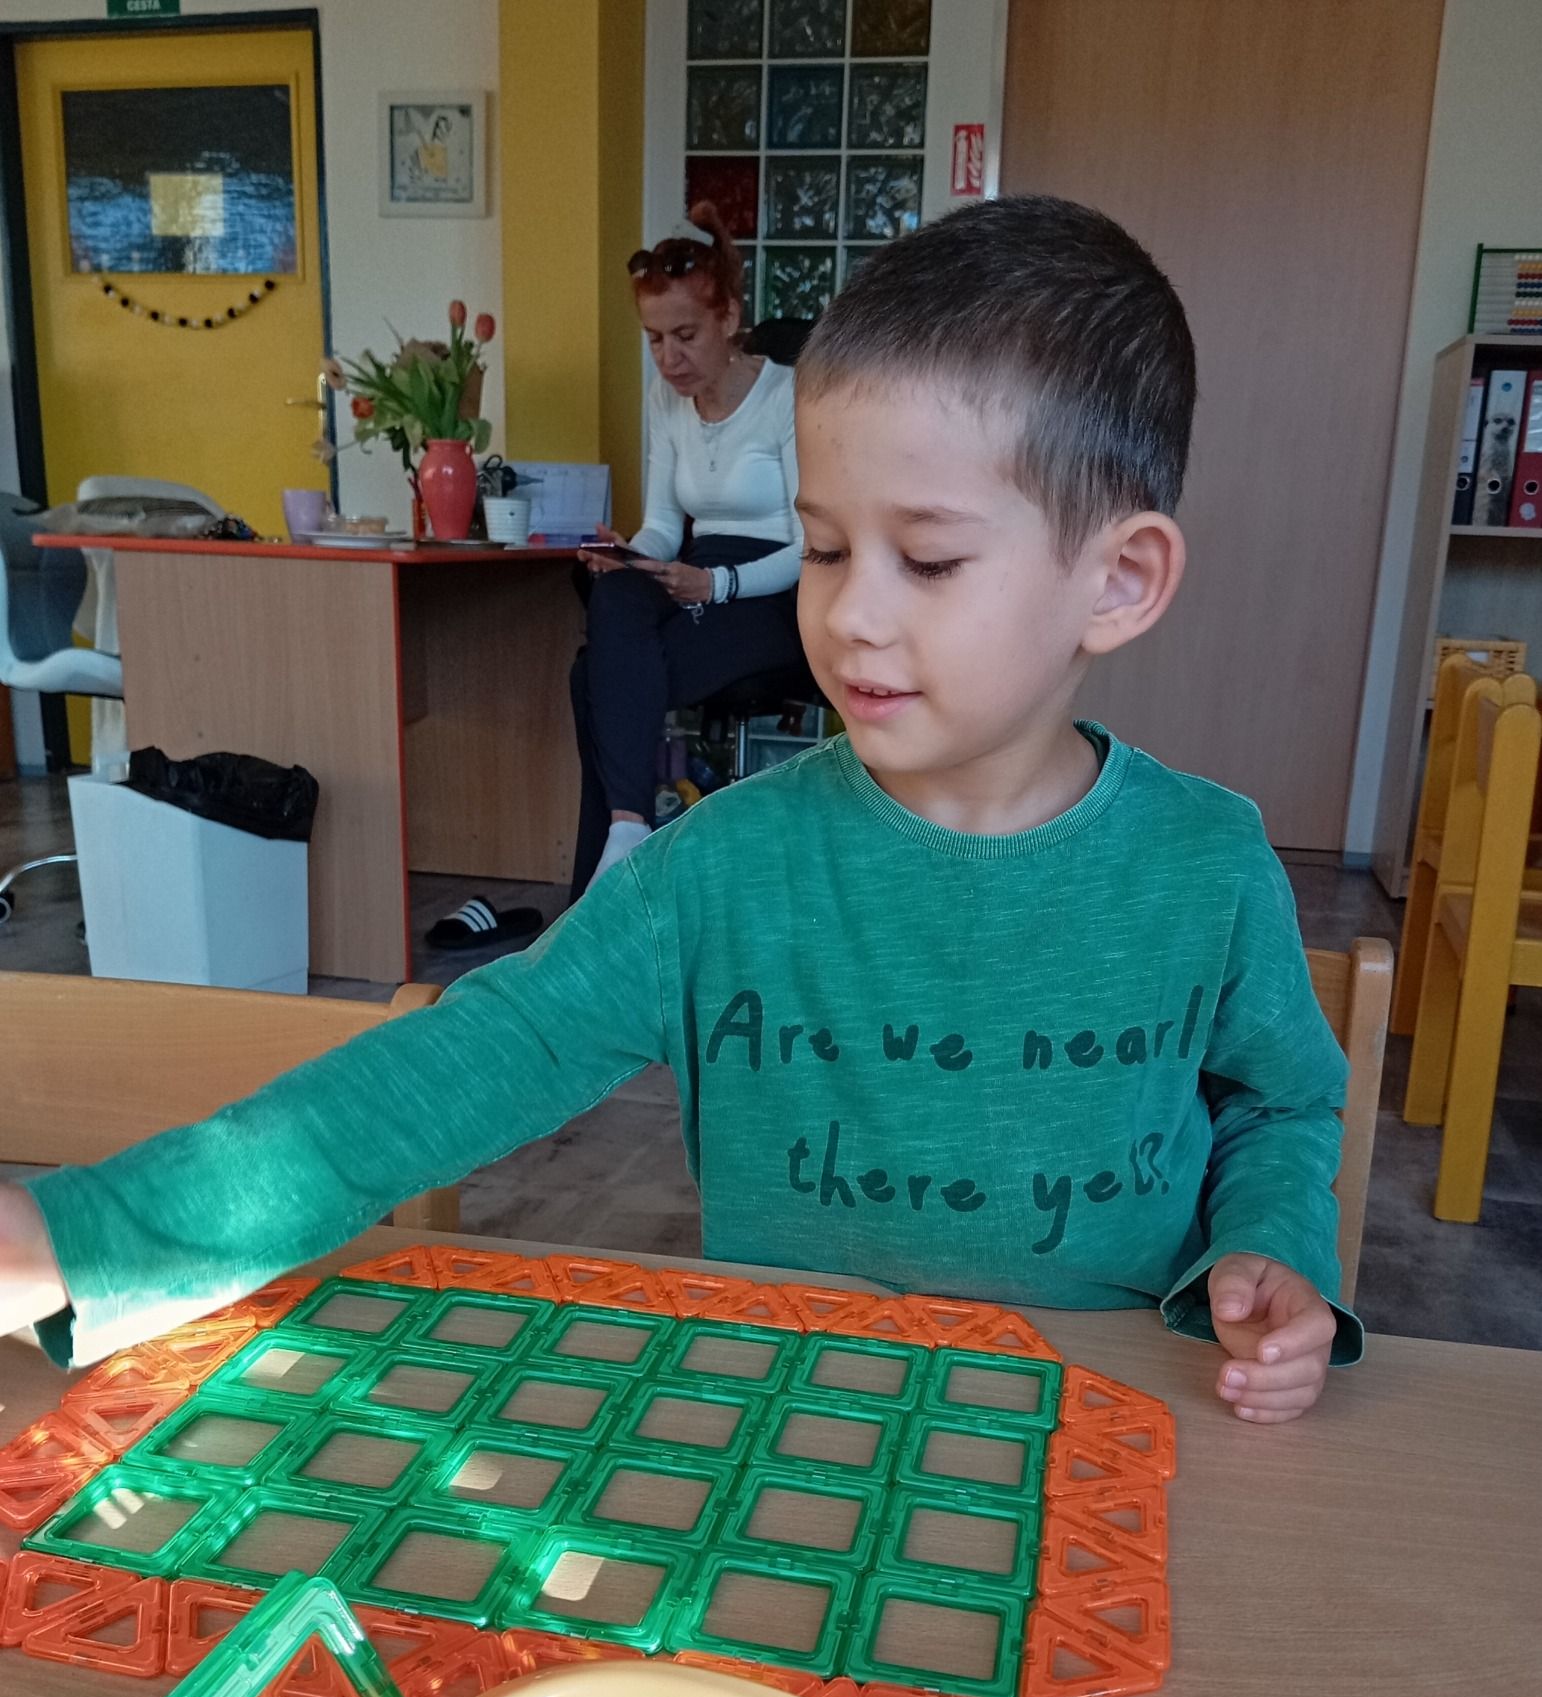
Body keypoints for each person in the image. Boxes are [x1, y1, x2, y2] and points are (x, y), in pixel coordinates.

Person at [0, 195, 1359, 1421]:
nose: (849, 613)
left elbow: (1281, 1107)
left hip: (1115, 1427)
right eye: (823, 547)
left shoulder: (1208, 861)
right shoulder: (724, 868)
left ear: (1118, 581)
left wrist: (1269, 1247)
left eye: (929, 560)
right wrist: (80, 1239)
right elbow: (452, 1068)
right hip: (788, 1422)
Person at [570, 202, 805, 895]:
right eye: (653, 340)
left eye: (684, 336)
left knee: (593, 680)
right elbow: (664, 528)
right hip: (696, 571)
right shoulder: (665, 399)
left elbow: (816, 542)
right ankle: (629, 829)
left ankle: (606, 876)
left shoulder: (789, 396)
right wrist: (628, 554)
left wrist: (719, 585)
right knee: (616, 593)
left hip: (777, 587)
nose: (668, 359)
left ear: (728, 317)